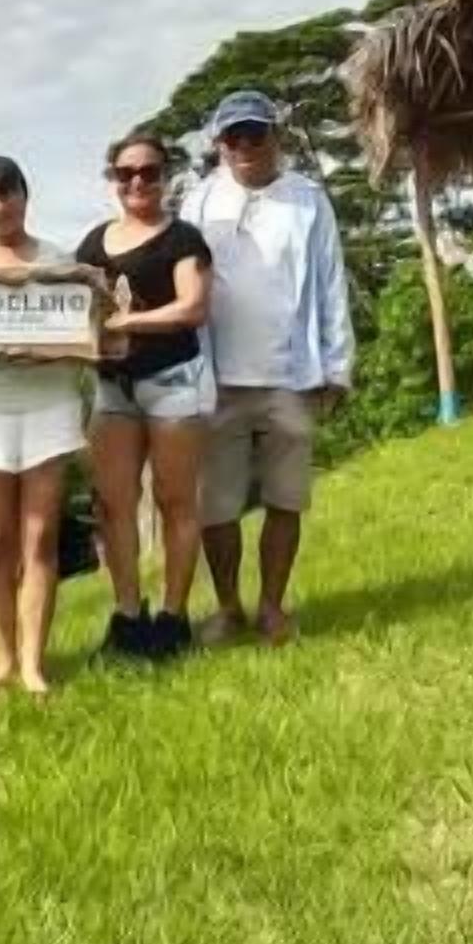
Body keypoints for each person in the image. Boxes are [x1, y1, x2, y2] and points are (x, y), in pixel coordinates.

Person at [183, 90, 354, 644]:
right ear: (219, 145)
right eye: (234, 137)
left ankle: (273, 607)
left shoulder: (308, 199)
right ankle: (229, 607)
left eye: (255, 133)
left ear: (275, 136)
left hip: (291, 375)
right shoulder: (199, 201)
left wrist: (338, 366)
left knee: (285, 498)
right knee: (217, 507)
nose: (246, 146)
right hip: (218, 379)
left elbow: (330, 282)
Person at [0, 155, 88, 699]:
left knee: (39, 537)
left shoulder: (59, 259)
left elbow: (83, 327)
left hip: (50, 406)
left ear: (26, 196)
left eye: (7, 194)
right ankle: (1, 660)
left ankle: (33, 664)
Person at [78, 128, 213, 657]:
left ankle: (173, 620)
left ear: (165, 176)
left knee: (175, 501)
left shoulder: (183, 239)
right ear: (113, 180)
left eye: (149, 172)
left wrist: (130, 321)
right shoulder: (93, 242)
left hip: (173, 381)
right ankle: (128, 617)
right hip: (113, 389)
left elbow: (193, 307)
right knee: (114, 507)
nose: (137, 181)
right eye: (126, 173)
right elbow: (73, 309)